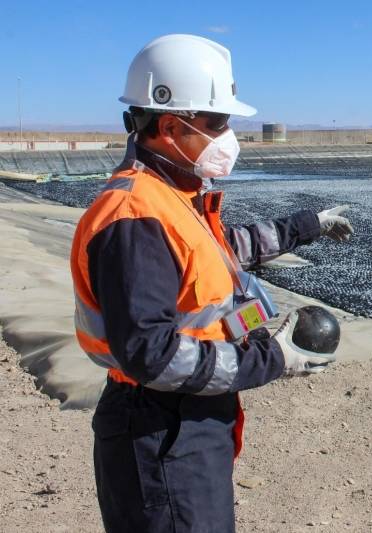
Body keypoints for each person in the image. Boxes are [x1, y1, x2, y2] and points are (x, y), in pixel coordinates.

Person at [70, 34, 354, 533]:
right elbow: (151, 355)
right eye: (217, 122)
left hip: (185, 418)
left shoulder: (171, 199)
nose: (229, 136)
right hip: (160, 427)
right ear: (168, 125)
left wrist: (307, 225)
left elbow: (220, 255)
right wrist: (272, 358)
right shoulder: (135, 217)